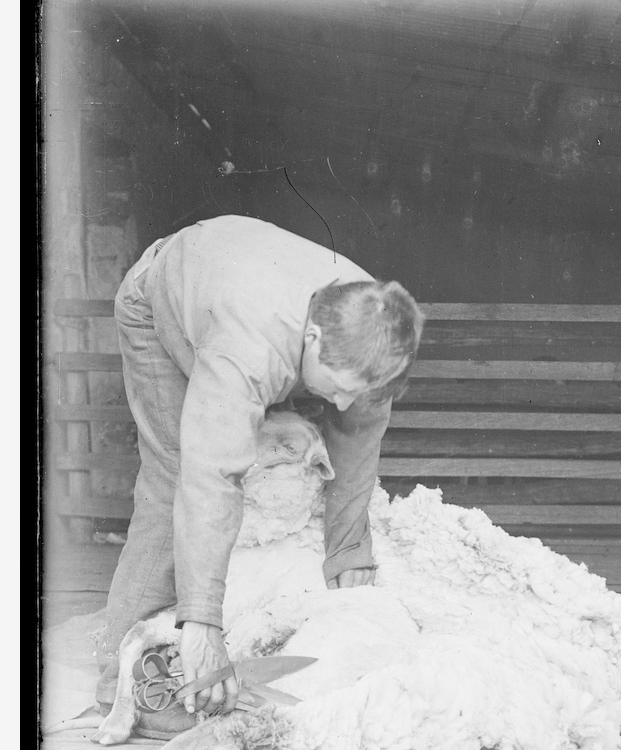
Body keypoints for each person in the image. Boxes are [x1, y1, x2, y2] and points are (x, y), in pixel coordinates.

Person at [95, 215, 424, 720]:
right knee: (176, 473)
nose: (342, 401)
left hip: (235, 288)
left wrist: (347, 546)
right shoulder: (248, 348)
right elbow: (211, 475)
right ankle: (123, 675)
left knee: (339, 411)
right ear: (313, 337)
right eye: (338, 384)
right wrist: (202, 624)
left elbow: (358, 434)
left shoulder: (369, 335)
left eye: (358, 390)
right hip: (163, 301)